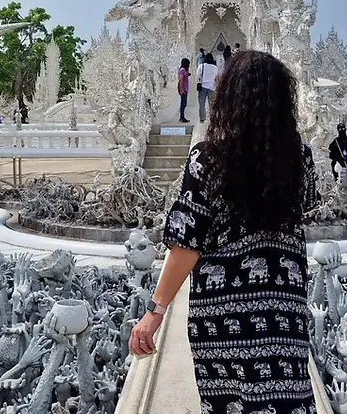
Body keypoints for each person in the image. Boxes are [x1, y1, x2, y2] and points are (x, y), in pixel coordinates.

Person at [129, 50, 320, 413]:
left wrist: (155, 311)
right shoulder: (300, 157)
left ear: (227, 96)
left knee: (228, 404)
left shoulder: (208, 158)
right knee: (287, 400)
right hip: (283, 308)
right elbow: (307, 207)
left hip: (223, 316)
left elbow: (186, 245)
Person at [197, 52, 217, 123]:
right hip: (212, 87)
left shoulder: (201, 66)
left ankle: (202, 118)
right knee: (211, 104)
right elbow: (216, 77)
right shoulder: (215, 67)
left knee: (202, 103)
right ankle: (212, 118)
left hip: (203, 87)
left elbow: (198, 76)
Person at [177, 58, 190, 123]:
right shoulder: (182, 70)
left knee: (184, 103)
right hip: (183, 89)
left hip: (185, 89)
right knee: (183, 103)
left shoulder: (184, 70)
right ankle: (182, 117)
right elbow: (181, 80)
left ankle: (182, 116)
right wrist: (181, 89)